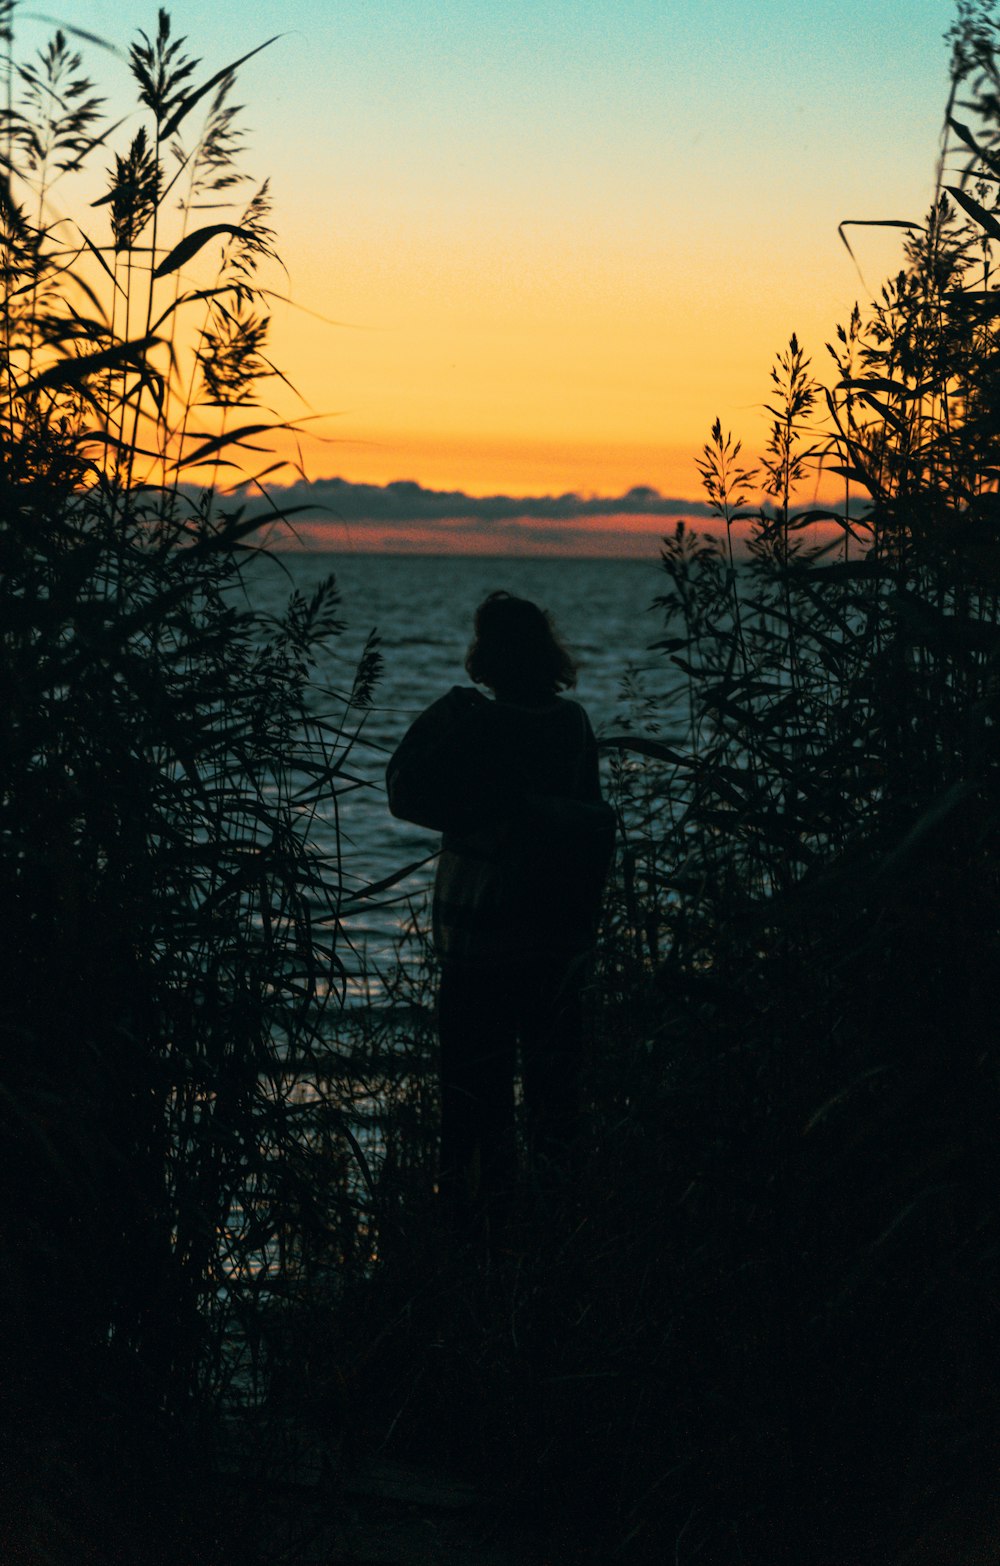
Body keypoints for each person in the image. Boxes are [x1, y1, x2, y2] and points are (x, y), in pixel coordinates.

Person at [386, 591, 614, 1237]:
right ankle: (552, 1237)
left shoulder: (471, 724)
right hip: (555, 947)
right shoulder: (570, 724)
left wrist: (443, 717)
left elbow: (405, 791)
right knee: (553, 1106)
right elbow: (592, 820)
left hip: (478, 947)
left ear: (486, 655)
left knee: (472, 1111)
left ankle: (472, 1241)